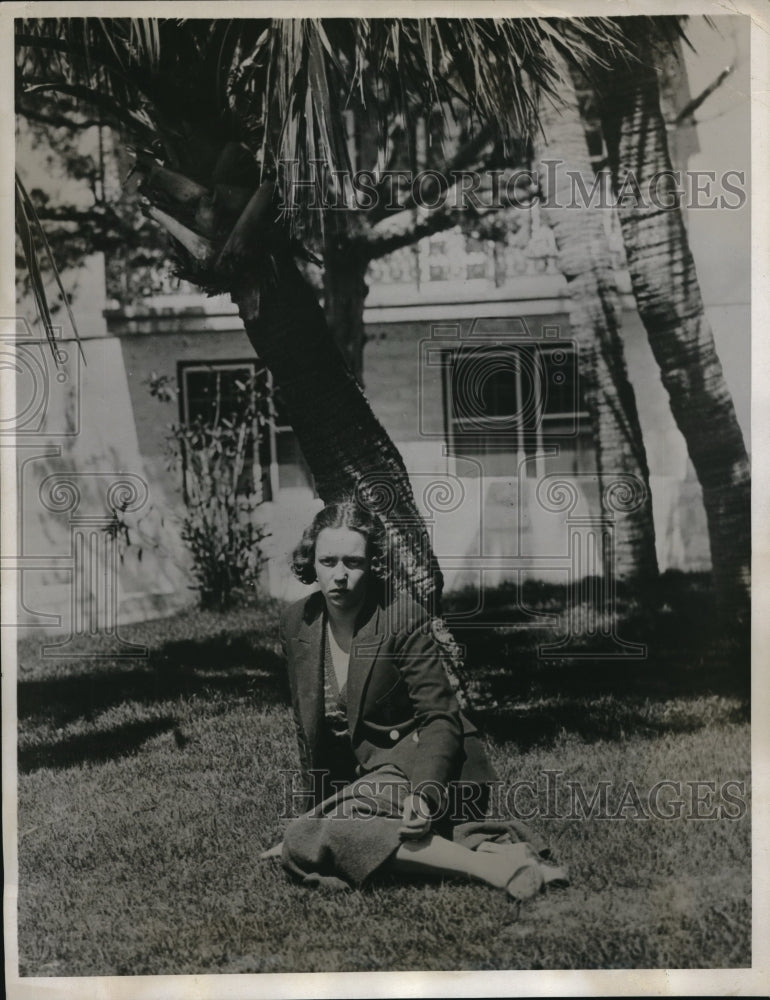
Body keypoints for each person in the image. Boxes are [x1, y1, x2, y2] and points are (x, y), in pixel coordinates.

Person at [261, 500, 567, 901]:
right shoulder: (296, 621)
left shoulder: (400, 616)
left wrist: (424, 796)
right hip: (370, 778)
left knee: (322, 835)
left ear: (372, 563)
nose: (339, 575)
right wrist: (311, 816)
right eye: (328, 561)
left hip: (423, 763)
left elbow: (440, 717)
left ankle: (490, 870)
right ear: (311, 562)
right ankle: (497, 855)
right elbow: (308, 733)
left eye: (353, 562)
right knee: (319, 830)